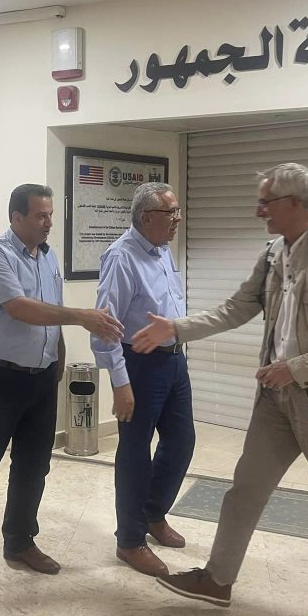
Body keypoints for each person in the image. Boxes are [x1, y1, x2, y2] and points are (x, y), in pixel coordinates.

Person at [132, 163, 308, 616]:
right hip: (275, 401)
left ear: (295, 203)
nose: (258, 211)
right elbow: (237, 308)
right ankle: (217, 580)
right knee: (244, 491)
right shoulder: (272, 255)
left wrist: (296, 368)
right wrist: (177, 328)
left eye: (266, 202)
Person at [0, 183, 124, 586]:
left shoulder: (48, 256)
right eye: (40, 215)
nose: (48, 222)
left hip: (41, 376)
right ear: (16, 217)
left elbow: (50, 311)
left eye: (50, 214)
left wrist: (58, 356)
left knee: (34, 465)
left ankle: (20, 541)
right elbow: (20, 308)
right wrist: (82, 316)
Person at [91, 182, 193, 577]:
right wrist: (120, 382)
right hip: (139, 364)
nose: (178, 219)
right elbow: (105, 327)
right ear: (147, 217)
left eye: (177, 211)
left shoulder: (162, 248)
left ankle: (153, 514)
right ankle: (130, 541)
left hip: (173, 359)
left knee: (182, 441)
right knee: (135, 451)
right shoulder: (122, 257)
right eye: (171, 213)